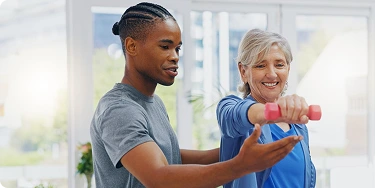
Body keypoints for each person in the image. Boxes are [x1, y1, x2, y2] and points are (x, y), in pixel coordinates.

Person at [90, 2, 304, 188]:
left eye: (177, 49)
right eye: (165, 46)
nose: (174, 57)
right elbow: (158, 178)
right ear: (131, 46)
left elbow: (171, 158)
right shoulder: (118, 109)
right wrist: (240, 165)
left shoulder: (153, 103)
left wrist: (235, 149)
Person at [216, 28, 317, 188]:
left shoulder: (298, 125)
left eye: (279, 65)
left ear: (288, 69)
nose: (271, 74)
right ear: (243, 71)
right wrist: (270, 112)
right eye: (260, 65)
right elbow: (235, 115)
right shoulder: (233, 112)